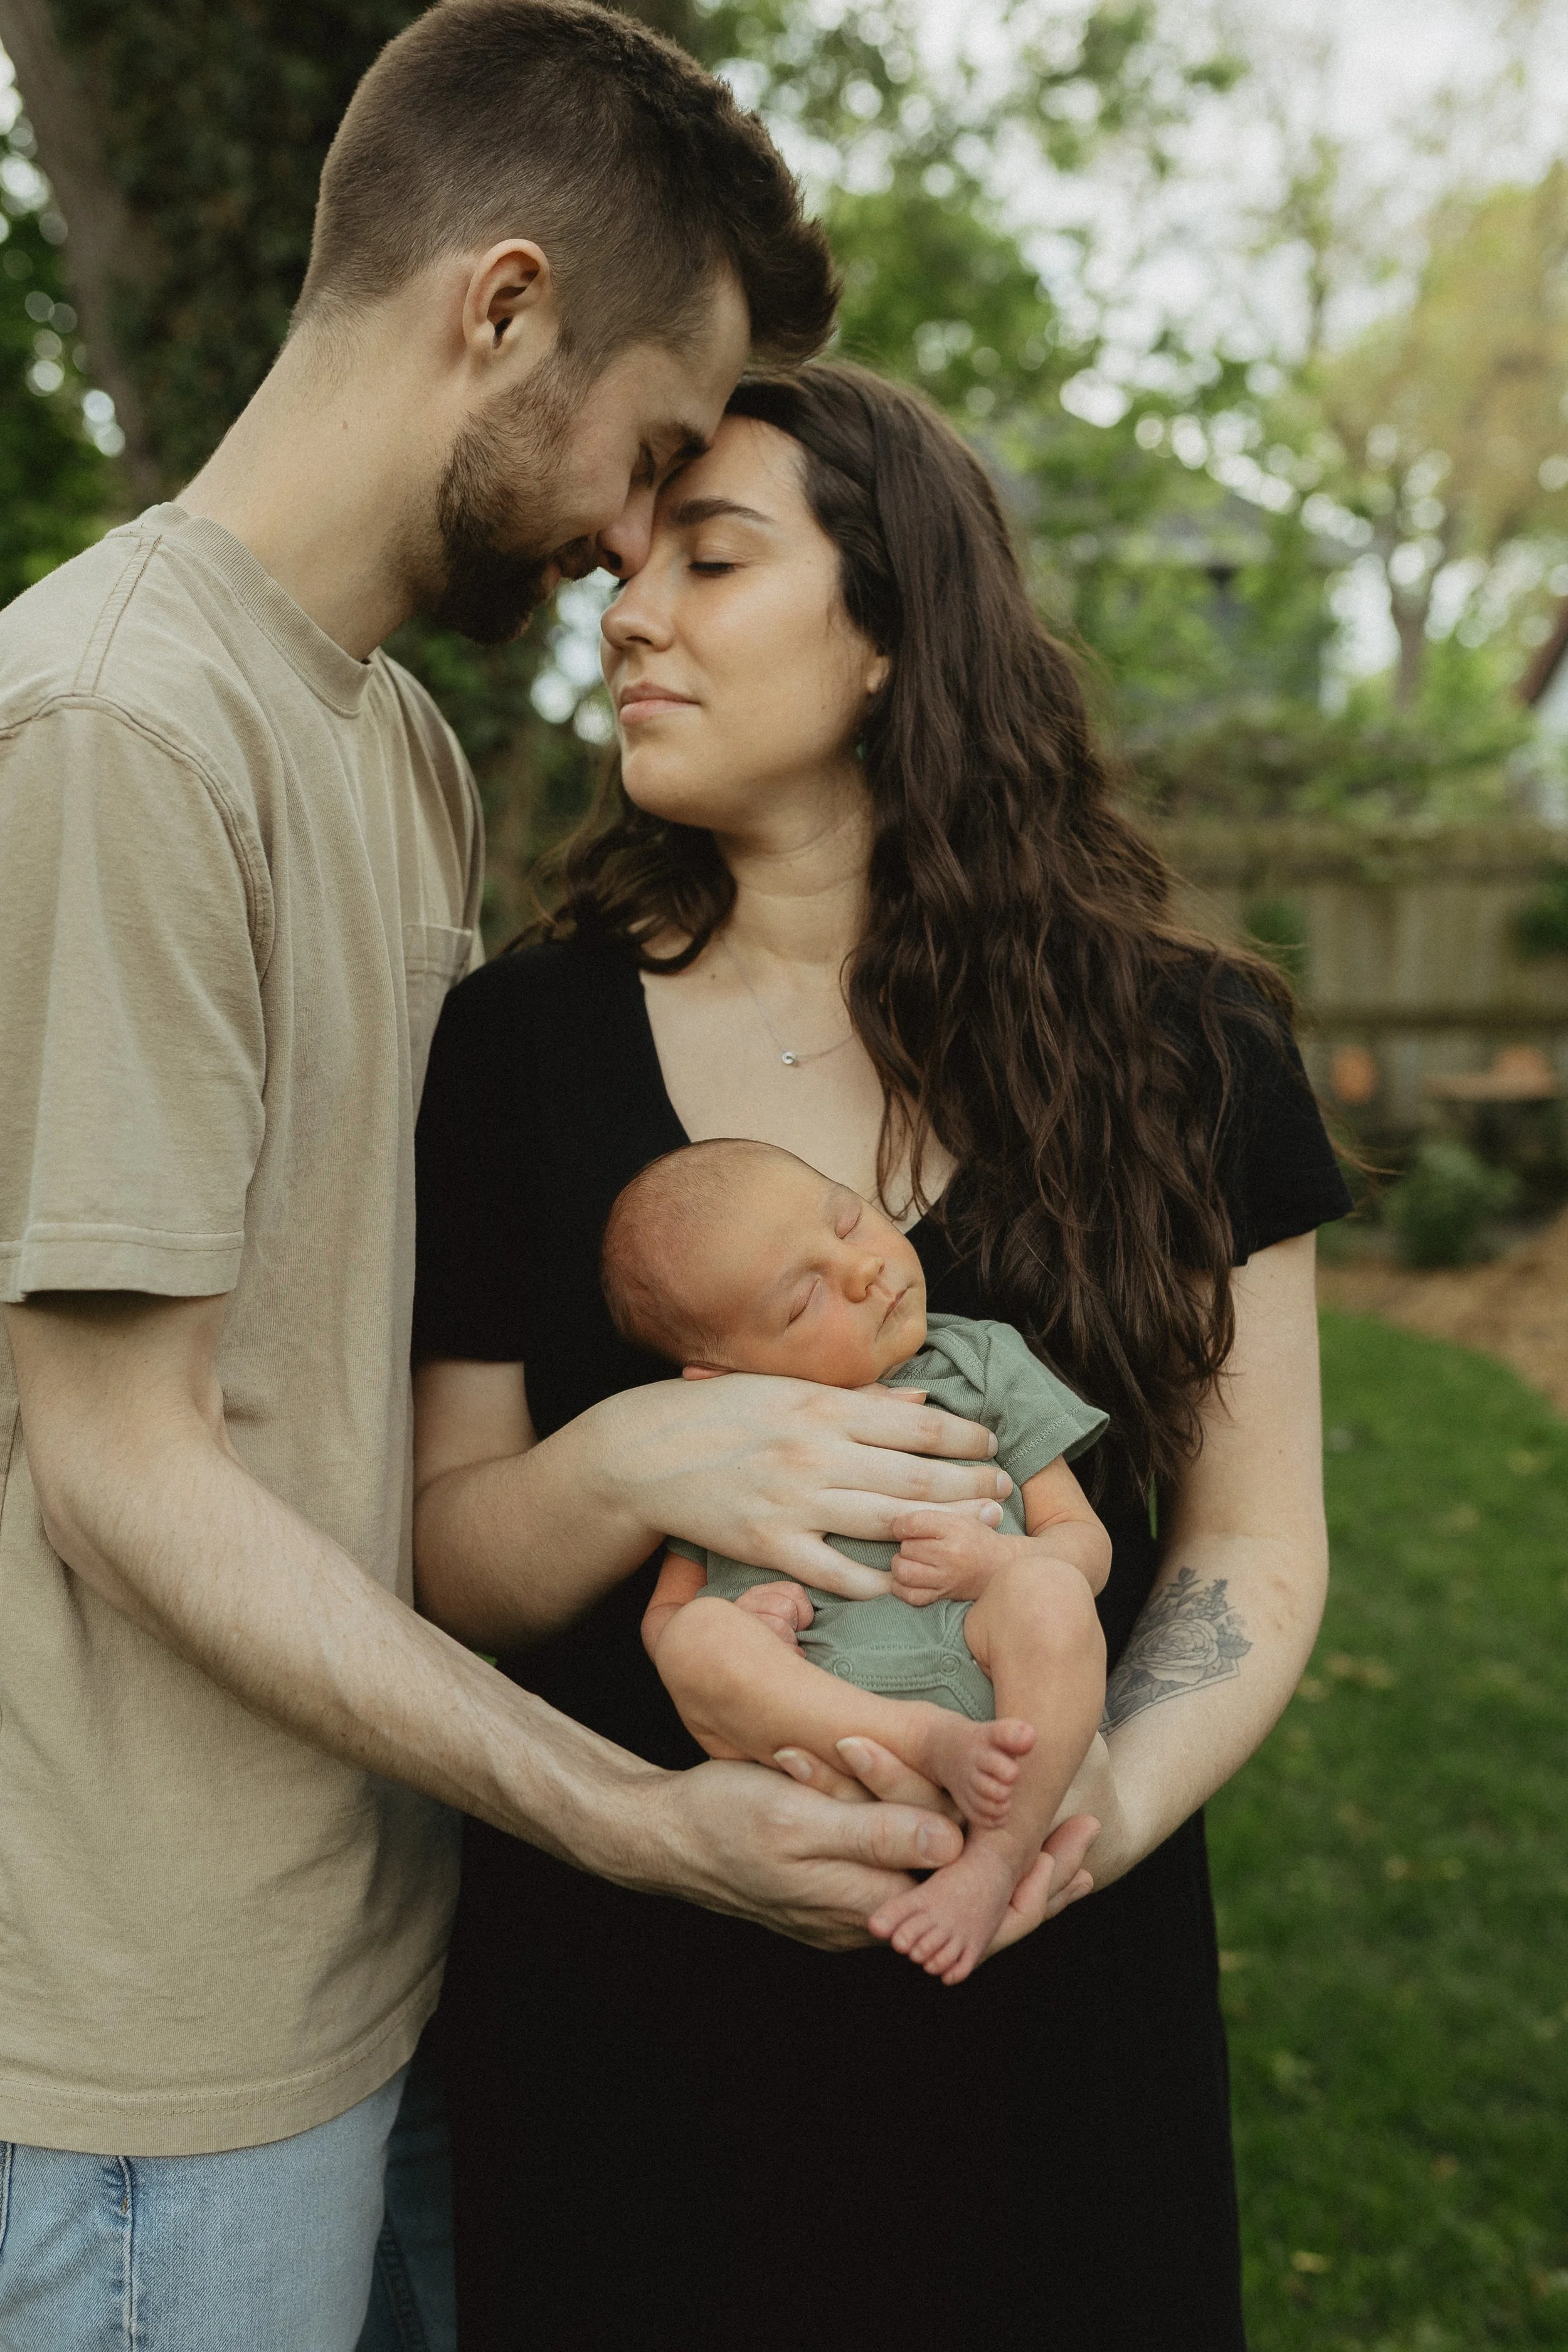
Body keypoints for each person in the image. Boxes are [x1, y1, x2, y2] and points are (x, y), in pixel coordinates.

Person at [0, 13, 1027, 2346]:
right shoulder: (113, 729)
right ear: (500, 307)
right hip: (149, 2054)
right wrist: (633, 1816)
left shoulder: (384, 747)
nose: (624, 548)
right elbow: (118, 1475)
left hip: (380, 1950)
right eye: (652, 448)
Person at [411, 358, 1350, 2348]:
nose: (629, 609)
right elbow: (445, 1558)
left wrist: (1081, 1807)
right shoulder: (514, 1050)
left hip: (1049, 2038)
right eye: (628, 567)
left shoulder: (1186, 1050)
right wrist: (630, 1469)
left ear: (889, 636)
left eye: (713, 559)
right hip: (627, 2030)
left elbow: (1255, 1547)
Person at [603, 1136, 1113, 1985]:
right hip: (820, 1712)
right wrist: (744, 1624)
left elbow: (1082, 1542)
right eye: (805, 1300)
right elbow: (667, 1616)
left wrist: (994, 1563)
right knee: (695, 1638)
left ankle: (996, 1858)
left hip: (991, 1680)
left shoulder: (977, 1362)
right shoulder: (721, 1445)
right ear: (720, 1373)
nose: (863, 1270)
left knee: (1052, 1593)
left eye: (851, 1219)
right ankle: (925, 1739)